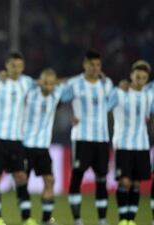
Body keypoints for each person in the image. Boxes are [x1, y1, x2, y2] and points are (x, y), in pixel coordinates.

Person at [61, 50, 113, 225]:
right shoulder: (75, 83)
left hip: (102, 138)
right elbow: (60, 98)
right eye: (92, 65)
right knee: (77, 177)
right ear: (85, 65)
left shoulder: (107, 84)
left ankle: (102, 220)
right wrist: (70, 116)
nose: (95, 68)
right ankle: (77, 219)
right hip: (81, 136)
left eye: (98, 65)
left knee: (101, 179)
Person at [0, 52, 36, 225]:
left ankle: (26, 217)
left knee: (21, 176)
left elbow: (47, 84)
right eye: (13, 65)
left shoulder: (27, 83)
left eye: (19, 66)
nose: (16, 69)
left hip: (15, 138)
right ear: (6, 66)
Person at [107, 60, 152, 225]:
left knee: (136, 183)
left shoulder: (149, 94)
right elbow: (103, 107)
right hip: (123, 144)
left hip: (142, 144)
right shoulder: (119, 93)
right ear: (131, 75)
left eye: (144, 77)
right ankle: (122, 219)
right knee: (124, 181)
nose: (140, 80)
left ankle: (131, 220)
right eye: (137, 76)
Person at [22, 68, 64, 225]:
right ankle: (26, 217)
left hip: (43, 148)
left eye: (51, 83)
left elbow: (68, 83)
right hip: (25, 145)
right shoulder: (30, 94)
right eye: (45, 82)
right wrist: (36, 82)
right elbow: (22, 81)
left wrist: (56, 82)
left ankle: (46, 219)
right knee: (22, 182)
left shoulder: (56, 94)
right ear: (40, 82)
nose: (48, 86)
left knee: (50, 180)